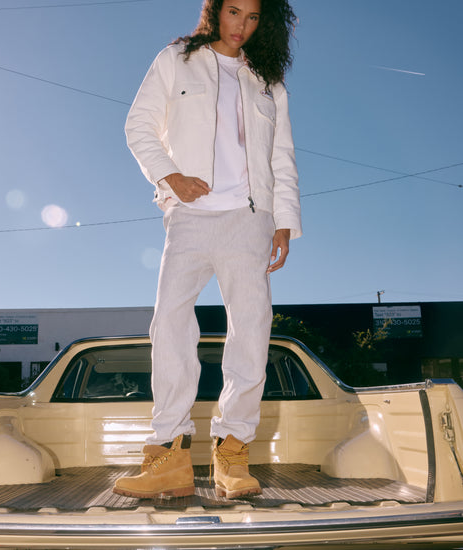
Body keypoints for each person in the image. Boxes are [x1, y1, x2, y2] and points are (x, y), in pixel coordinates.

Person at [113, 0, 301, 500]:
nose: (242, 26)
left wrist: (284, 221)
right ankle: (168, 455)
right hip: (190, 215)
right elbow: (138, 126)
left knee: (252, 329)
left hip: (250, 218)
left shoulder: (269, 82)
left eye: (254, 17)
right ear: (215, 10)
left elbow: (282, 157)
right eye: (234, 12)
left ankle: (233, 453)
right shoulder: (177, 59)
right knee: (169, 323)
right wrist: (170, 176)